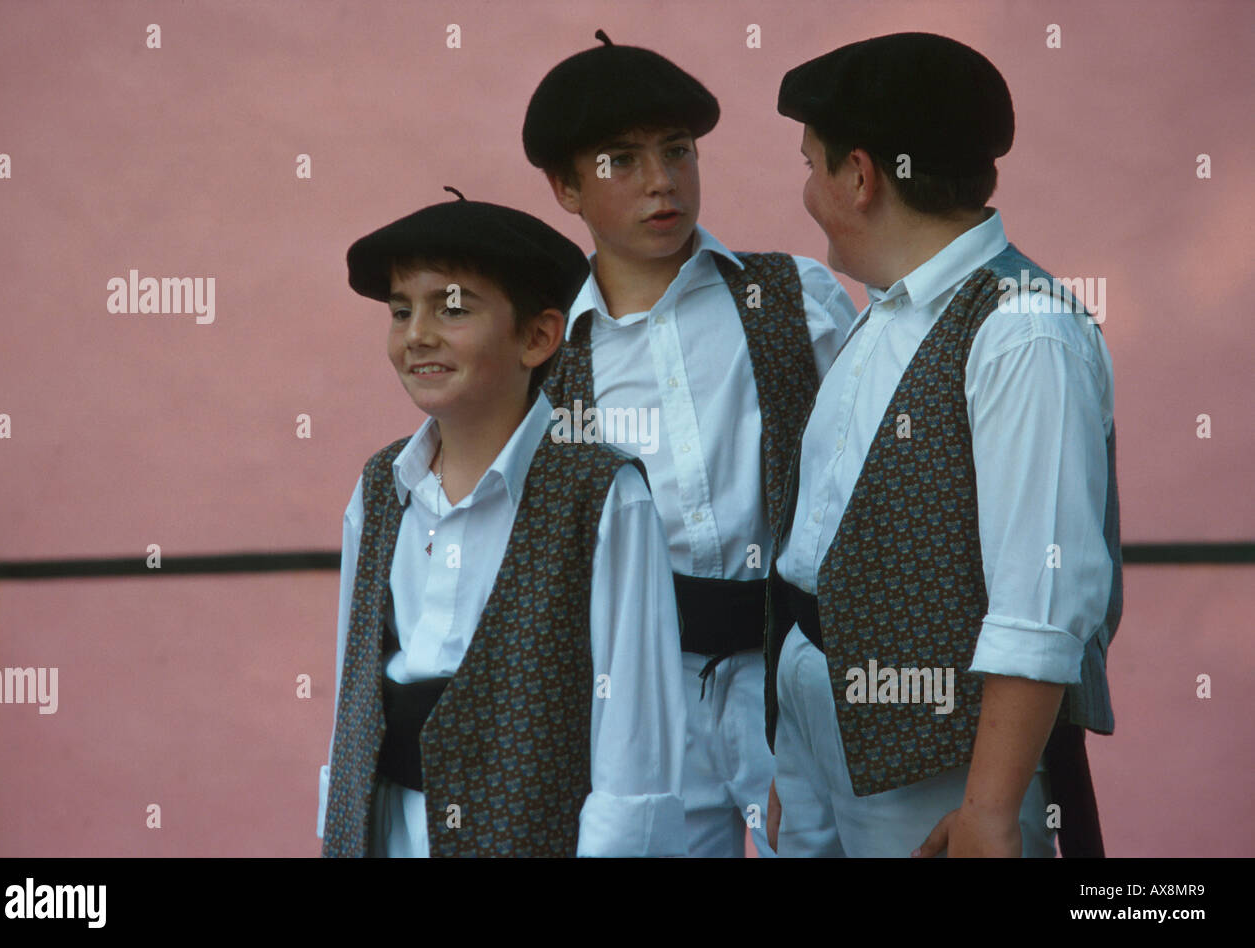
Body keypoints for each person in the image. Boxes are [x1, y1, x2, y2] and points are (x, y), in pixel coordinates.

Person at [766, 32, 1122, 858]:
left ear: (859, 177)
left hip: (941, 766)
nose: (808, 191)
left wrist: (990, 811)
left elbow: (1042, 600)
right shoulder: (888, 312)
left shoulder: (1022, 333)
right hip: (831, 736)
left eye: (811, 163)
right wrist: (803, 753)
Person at [524, 31, 858, 858]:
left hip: (797, 672)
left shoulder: (794, 298)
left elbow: (863, 479)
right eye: (621, 161)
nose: (662, 180)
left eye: (678, 152)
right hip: (642, 694)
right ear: (567, 187)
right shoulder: (546, 350)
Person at [318, 189, 687, 857]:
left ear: (538, 336)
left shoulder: (601, 497)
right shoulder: (380, 489)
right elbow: (355, 694)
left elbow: (632, 736)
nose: (418, 334)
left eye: (453, 308)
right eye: (403, 311)